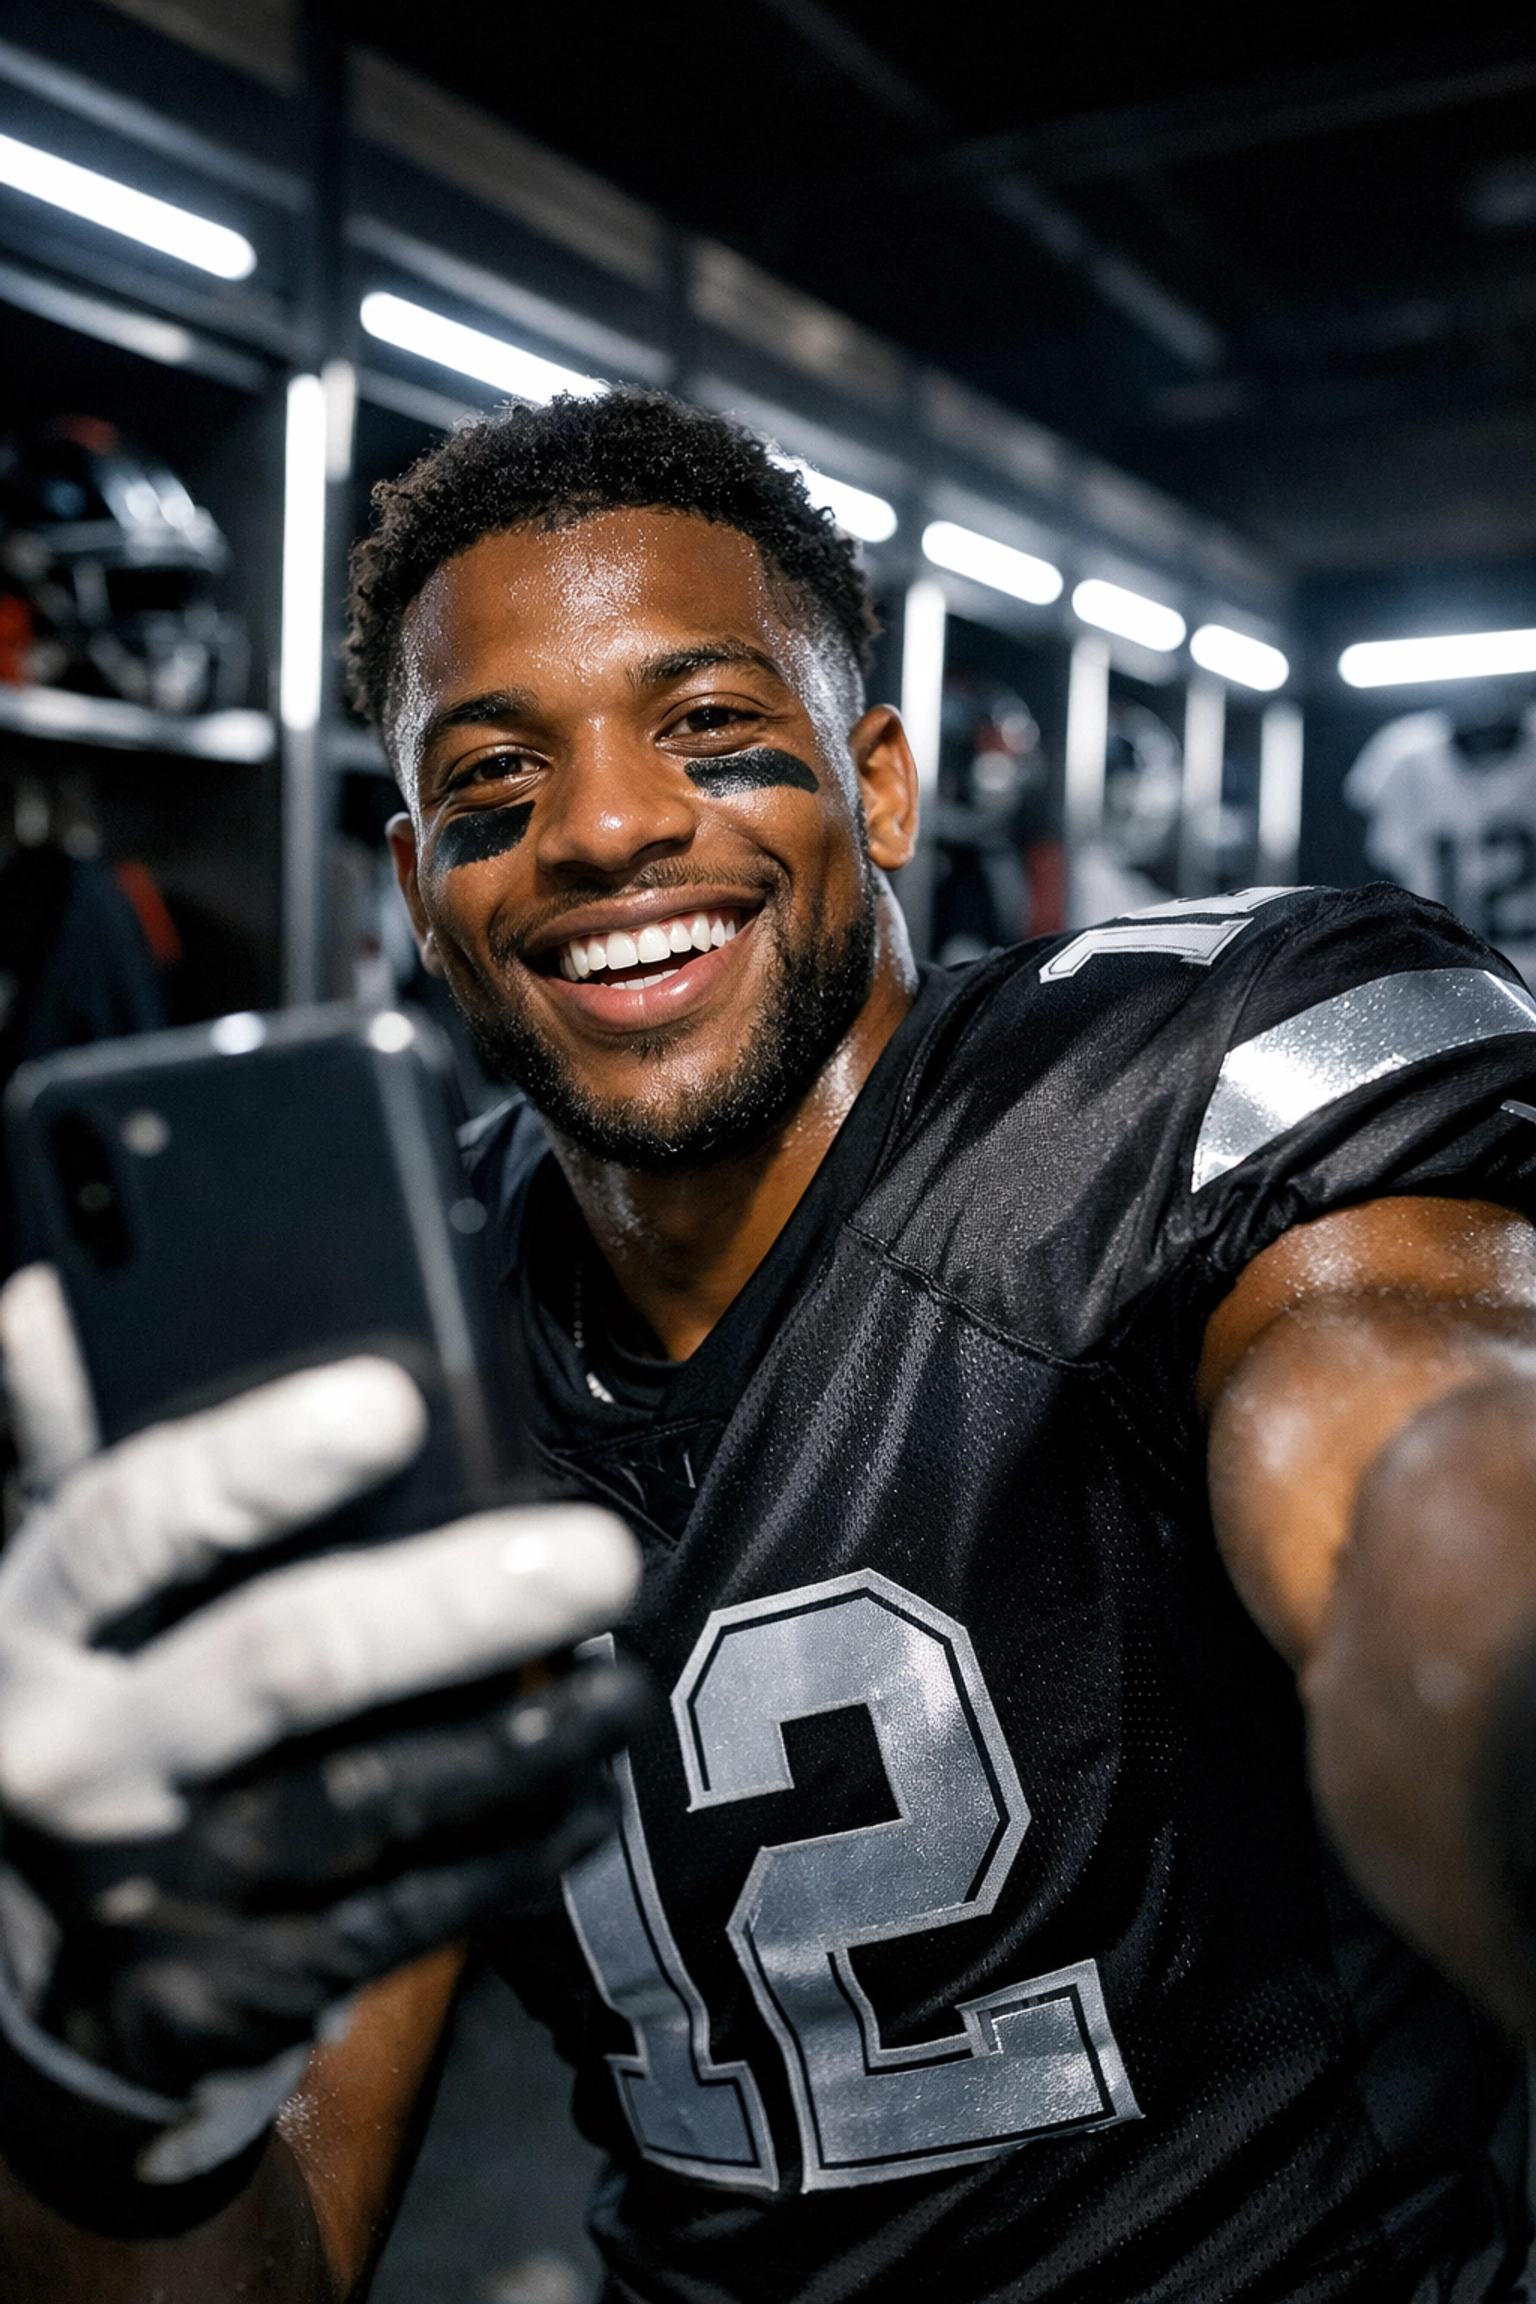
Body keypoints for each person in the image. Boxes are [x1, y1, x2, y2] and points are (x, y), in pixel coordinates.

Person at [5, 392, 1536, 2302]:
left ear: (878, 784)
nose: (609, 827)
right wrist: (110, 2097)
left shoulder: (1180, 1076)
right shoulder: (392, 1349)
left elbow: (1404, 1449)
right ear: (417, 890)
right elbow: (266, 2253)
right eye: (492, 789)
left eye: (713, 735)